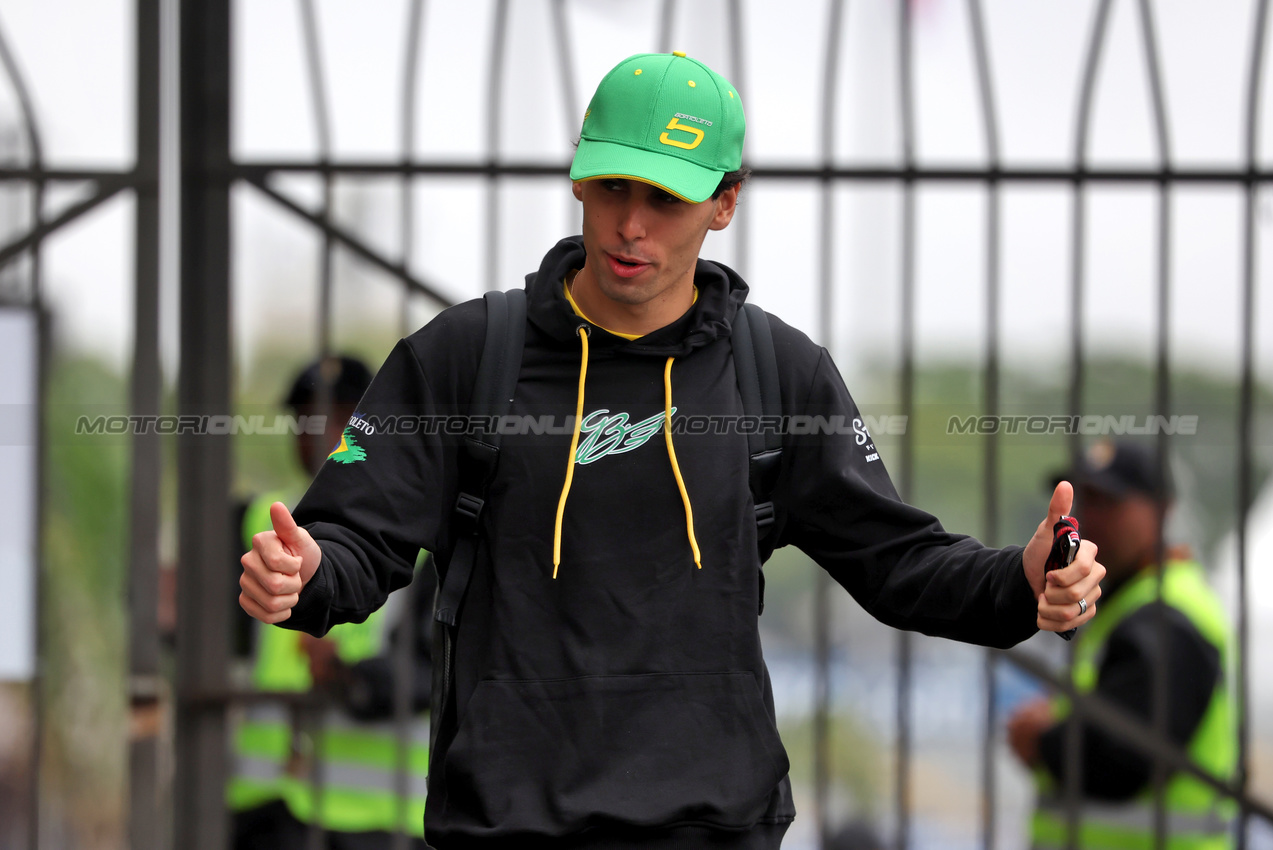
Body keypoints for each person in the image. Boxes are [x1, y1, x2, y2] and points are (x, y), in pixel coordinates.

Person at [238, 52, 1104, 849]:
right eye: (612, 186)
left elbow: (900, 562)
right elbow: (356, 539)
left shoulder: (778, 375)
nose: (630, 226)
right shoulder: (464, 358)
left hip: (714, 826)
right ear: (578, 176)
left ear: (724, 202)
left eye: (666, 199)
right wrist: (305, 573)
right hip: (507, 825)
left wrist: (1019, 583)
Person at [229, 356, 435, 850]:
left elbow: (436, 667)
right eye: (307, 419)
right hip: (272, 802)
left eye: (342, 417)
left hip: (380, 815)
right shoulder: (256, 518)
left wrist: (351, 677)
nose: (321, 433)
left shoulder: (425, 526)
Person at [1007, 440, 1235, 850]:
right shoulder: (1131, 601)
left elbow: (1126, 753)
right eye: (1085, 499)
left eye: (1108, 500)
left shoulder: (1167, 612)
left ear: (1162, 509)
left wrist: (1042, 739)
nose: (1090, 516)